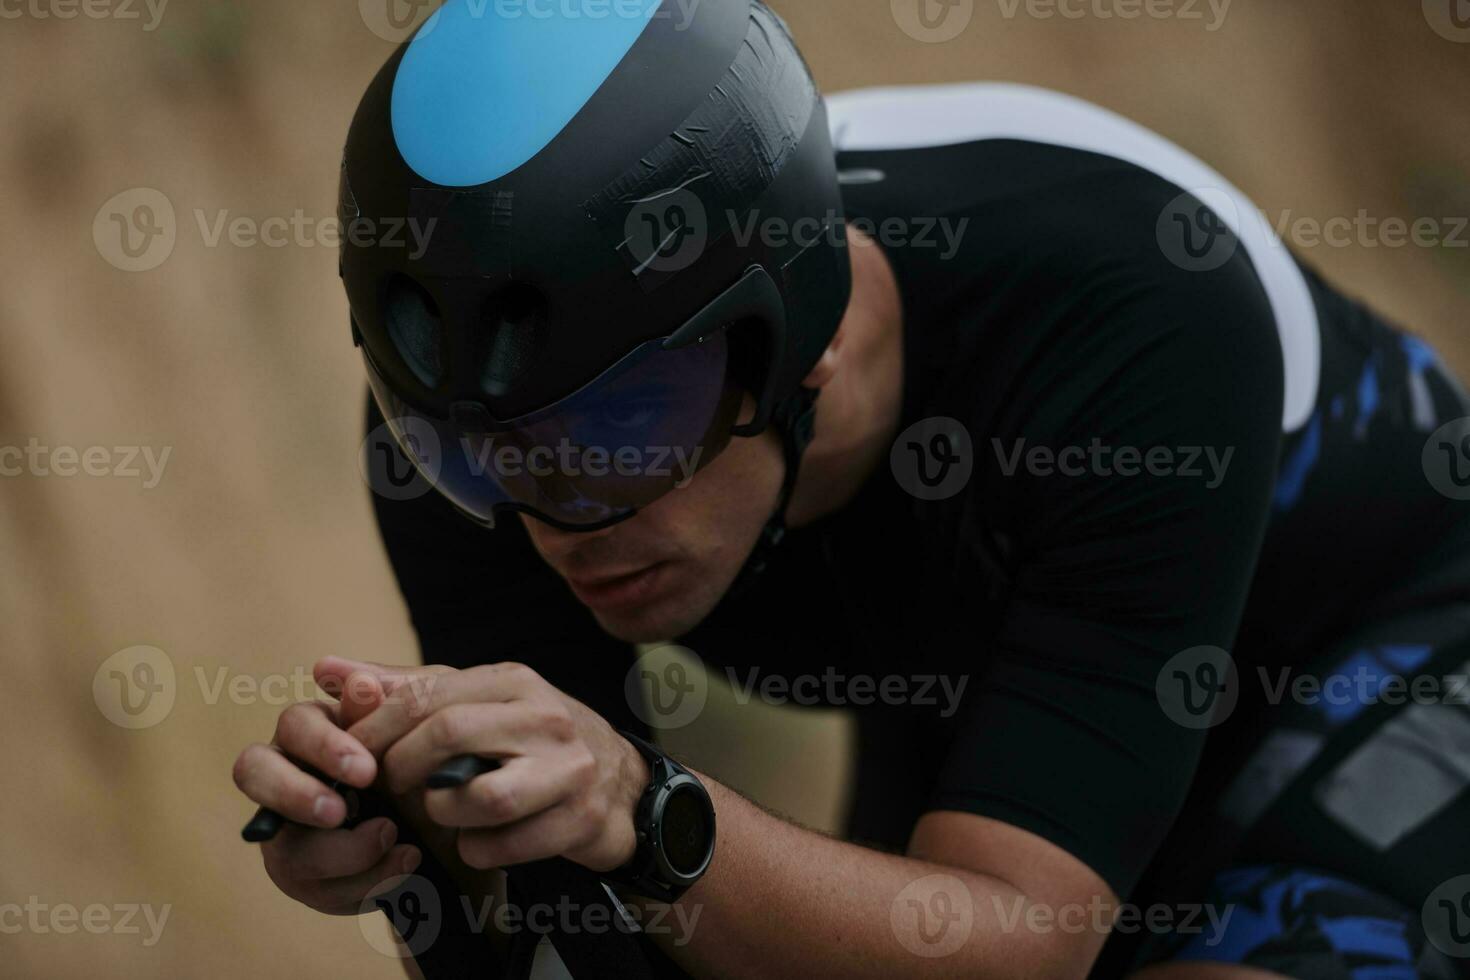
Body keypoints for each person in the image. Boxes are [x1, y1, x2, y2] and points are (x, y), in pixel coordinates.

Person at [232, 0, 1470, 976]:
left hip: (1388, 635)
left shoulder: (1130, 306)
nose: (557, 520)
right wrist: (418, 860)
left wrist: (641, 802)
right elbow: (572, 938)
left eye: (619, 430)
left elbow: (1017, 941)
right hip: (1010, 672)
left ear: (805, 336)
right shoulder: (482, 432)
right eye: (476, 449)